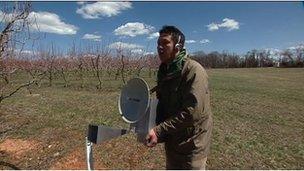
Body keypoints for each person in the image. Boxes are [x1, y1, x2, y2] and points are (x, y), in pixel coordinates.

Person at [145, 25, 213, 170]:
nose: (160, 48)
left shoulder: (193, 71)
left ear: (178, 46)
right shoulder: (165, 71)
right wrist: (150, 126)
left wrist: (158, 131)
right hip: (173, 142)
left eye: (165, 43)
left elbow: (192, 113)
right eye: (158, 44)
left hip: (192, 146)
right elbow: (163, 104)